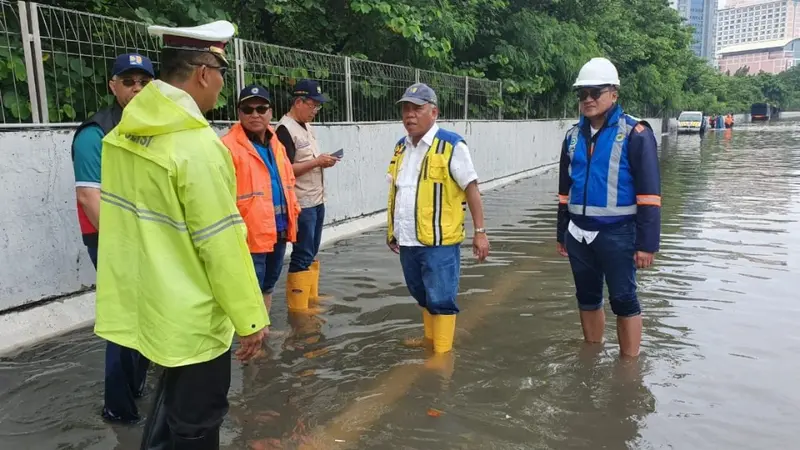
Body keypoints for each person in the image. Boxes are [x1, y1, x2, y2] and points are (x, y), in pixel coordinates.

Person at [94, 20, 268, 449]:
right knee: (197, 423)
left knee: (170, 409)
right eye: (222, 76)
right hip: (193, 318)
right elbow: (221, 243)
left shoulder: (123, 136)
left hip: (152, 306)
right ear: (203, 73)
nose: (221, 88)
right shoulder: (197, 147)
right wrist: (250, 319)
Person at [556, 57, 661, 358]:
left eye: (595, 92)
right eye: (582, 94)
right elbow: (565, 192)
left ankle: (629, 368)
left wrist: (646, 245)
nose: (587, 99)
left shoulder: (635, 134)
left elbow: (650, 195)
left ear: (614, 93)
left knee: (624, 299)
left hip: (619, 233)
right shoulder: (572, 137)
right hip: (579, 233)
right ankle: (592, 354)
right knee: (587, 297)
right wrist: (562, 233)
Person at [71, 52, 154, 424]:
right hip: (111, 240)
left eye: (144, 82)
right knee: (124, 323)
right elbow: (90, 197)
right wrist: (127, 247)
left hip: (148, 238)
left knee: (148, 315)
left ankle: (136, 388)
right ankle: (118, 408)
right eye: (128, 82)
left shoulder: (152, 127)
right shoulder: (96, 132)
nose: (137, 89)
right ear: (113, 86)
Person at [386, 82, 490, 354]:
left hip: (440, 243)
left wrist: (480, 231)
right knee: (420, 293)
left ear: (434, 112)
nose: (409, 115)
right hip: (409, 240)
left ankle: (442, 356)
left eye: (417, 108)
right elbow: (398, 191)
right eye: (406, 109)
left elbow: (471, 188)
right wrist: (393, 231)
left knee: (441, 298)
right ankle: (431, 340)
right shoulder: (401, 147)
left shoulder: (451, 145)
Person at [221, 85, 301, 313]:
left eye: (261, 108)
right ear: (239, 113)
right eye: (248, 109)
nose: (255, 114)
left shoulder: (276, 143)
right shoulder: (227, 147)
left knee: (268, 284)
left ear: (270, 112)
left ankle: (262, 332)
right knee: (249, 288)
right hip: (250, 233)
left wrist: (294, 210)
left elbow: (287, 181)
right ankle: (252, 340)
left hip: (279, 228)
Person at [275, 80, 340, 312]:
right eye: (313, 105)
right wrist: (316, 162)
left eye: (317, 107)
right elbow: (285, 170)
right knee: (302, 254)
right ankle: (299, 310)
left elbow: (307, 162)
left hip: (316, 199)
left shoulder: (306, 127)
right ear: (299, 102)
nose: (315, 111)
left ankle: (311, 298)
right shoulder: (284, 130)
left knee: (311, 251)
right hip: (301, 202)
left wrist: (323, 162)